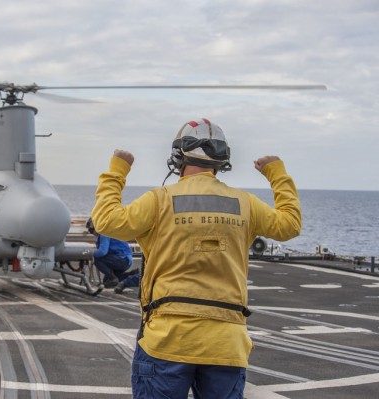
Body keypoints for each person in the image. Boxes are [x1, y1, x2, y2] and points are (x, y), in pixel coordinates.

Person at [91, 118, 301, 398]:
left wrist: (117, 170)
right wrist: (276, 173)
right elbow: (289, 225)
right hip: (226, 343)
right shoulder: (245, 203)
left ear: (178, 156)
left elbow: (105, 220)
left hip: (167, 340)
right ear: (222, 160)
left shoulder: (159, 200)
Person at [86, 217, 133, 288]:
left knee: (96, 258)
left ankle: (112, 278)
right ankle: (133, 274)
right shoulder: (109, 230)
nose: (91, 232)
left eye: (91, 230)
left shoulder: (104, 233)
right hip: (125, 260)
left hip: (122, 260)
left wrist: (90, 254)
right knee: (106, 282)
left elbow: (102, 252)